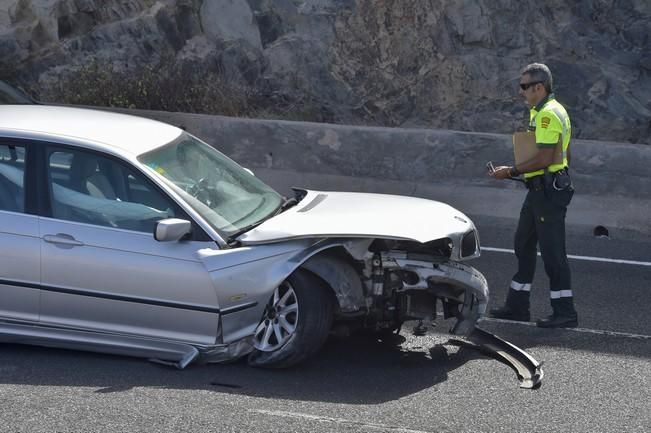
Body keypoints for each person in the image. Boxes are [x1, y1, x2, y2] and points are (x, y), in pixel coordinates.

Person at [489, 63, 578, 328]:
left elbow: (546, 156)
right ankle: (517, 306)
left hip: (547, 192)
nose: (521, 91)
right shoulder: (541, 112)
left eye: (525, 86)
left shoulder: (548, 114)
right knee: (523, 244)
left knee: (553, 253)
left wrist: (511, 171)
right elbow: (565, 153)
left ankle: (565, 312)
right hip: (539, 188)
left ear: (539, 87)